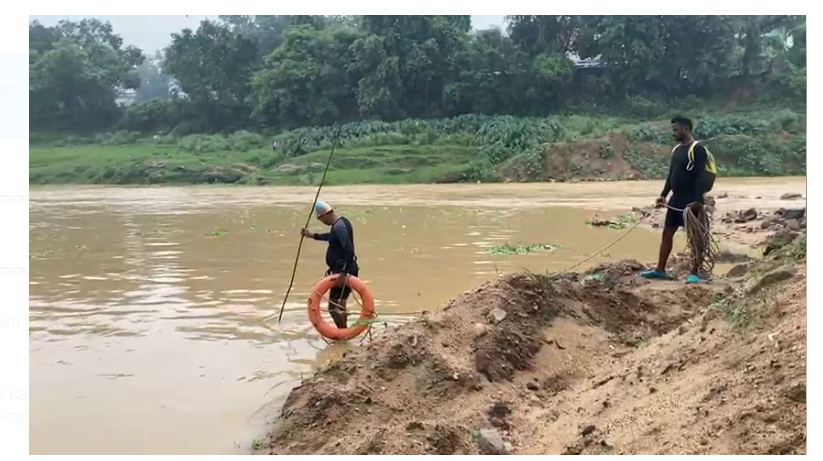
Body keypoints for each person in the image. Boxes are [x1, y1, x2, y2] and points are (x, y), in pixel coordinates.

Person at [640, 116, 709, 284]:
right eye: (673, 130)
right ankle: (660, 269)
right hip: (675, 200)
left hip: (691, 201)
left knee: (695, 238)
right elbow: (671, 175)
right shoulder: (677, 149)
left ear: (686, 129)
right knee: (667, 233)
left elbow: (701, 175)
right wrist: (663, 195)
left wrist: (698, 201)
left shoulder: (697, 149)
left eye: (676, 130)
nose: (674, 133)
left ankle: (695, 272)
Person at [301, 201, 359, 328]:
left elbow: (349, 250)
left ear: (325, 215)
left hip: (344, 270)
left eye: (321, 219)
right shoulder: (340, 223)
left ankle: (343, 333)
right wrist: (312, 235)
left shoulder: (339, 227)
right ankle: (345, 333)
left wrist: (343, 274)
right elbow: (331, 237)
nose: (322, 222)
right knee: (341, 303)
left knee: (333, 306)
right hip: (346, 268)